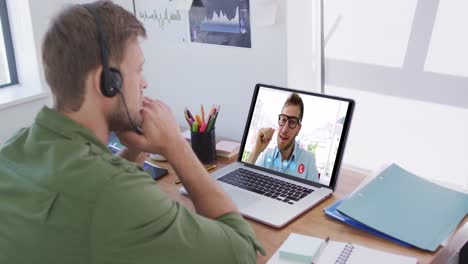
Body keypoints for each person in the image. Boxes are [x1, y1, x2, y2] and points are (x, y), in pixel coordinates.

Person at [0, 1, 263, 263]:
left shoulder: (13, 150)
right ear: (107, 83)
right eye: (138, 70)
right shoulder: (115, 194)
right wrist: (176, 146)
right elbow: (244, 252)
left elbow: (91, 189)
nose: (145, 82)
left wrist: (137, 147)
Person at [246, 93, 319, 182]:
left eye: (292, 122)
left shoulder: (308, 161)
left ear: (298, 129)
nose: (284, 129)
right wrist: (256, 151)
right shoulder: (265, 157)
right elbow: (244, 182)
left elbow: (317, 196)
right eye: (283, 119)